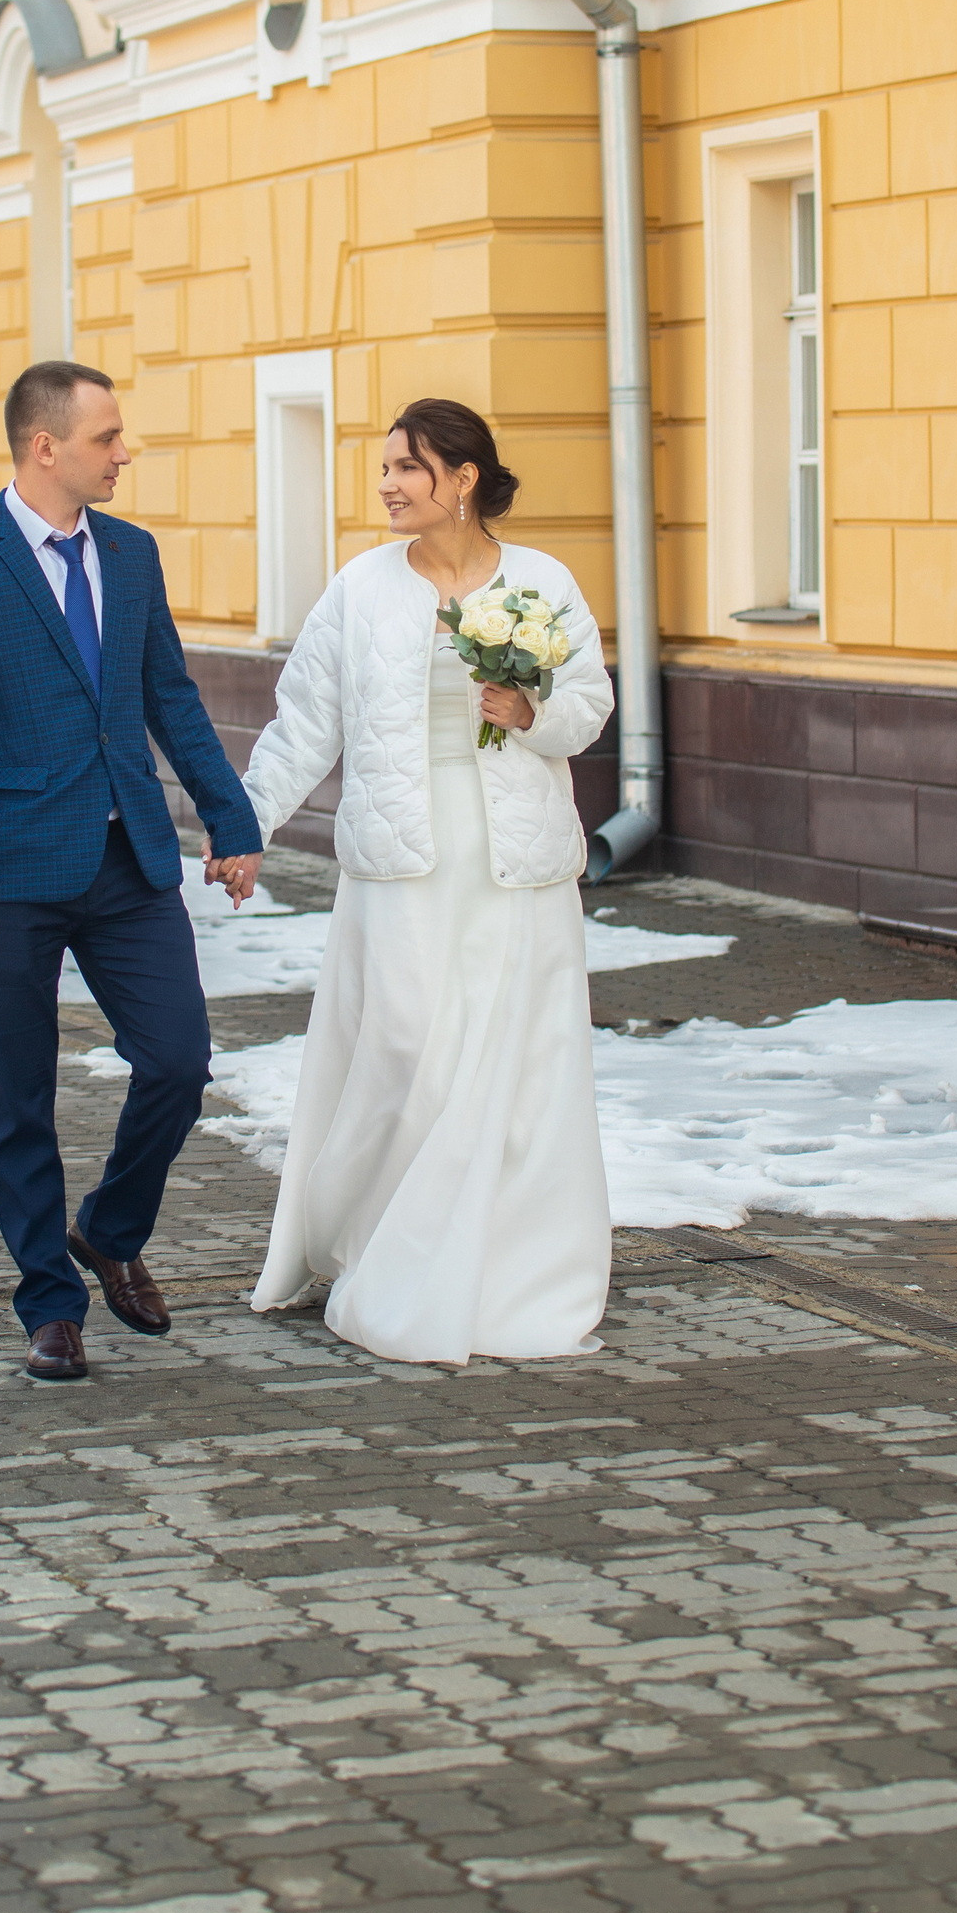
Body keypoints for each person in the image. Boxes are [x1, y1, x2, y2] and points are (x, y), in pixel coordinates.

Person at [0, 361, 264, 1382]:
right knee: (16, 1095)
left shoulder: (132, 554)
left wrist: (229, 818)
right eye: (107, 437)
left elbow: (169, 696)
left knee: (177, 1060)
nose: (124, 452)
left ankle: (108, 1229)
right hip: (8, 872)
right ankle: (48, 1306)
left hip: (127, 861)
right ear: (44, 447)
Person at [241, 399, 614, 1365]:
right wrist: (247, 821)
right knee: (407, 1050)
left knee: (515, 1070)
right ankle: (373, 1241)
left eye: (409, 468)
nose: (389, 485)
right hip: (401, 859)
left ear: (464, 478)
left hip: (516, 859)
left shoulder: (543, 581)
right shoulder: (361, 590)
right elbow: (305, 722)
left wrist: (529, 708)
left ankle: (508, 1272)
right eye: (387, 468)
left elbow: (589, 703)